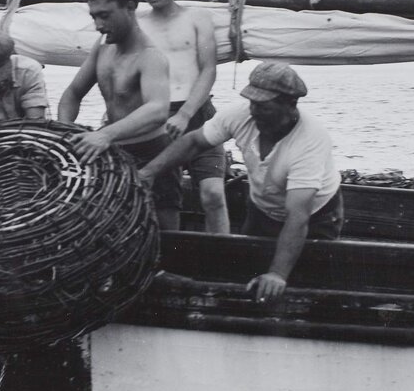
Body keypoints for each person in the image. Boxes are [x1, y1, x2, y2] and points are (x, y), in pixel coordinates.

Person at [139, 62, 343, 302]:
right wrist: (148, 173)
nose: (254, 112)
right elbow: (193, 142)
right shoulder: (242, 115)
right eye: (252, 103)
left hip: (316, 217)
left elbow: (298, 217)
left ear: (290, 104)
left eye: (264, 107)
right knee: (244, 273)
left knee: (308, 285)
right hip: (262, 208)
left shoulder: (310, 141)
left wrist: (277, 274)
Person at [57, 0, 181, 229]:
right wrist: (65, 134)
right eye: (94, 16)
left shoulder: (150, 56)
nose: (98, 25)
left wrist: (104, 134)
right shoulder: (102, 47)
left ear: (130, 7)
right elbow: (71, 95)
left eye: (105, 15)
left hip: (152, 153)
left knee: (166, 238)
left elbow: (158, 109)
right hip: (113, 153)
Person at [136, 0, 230, 233]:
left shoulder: (198, 18)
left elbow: (209, 69)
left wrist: (186, 113)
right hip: (157, 119)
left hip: (197, 113)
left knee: (213, 195)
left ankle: (225, 254)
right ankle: (173, 257)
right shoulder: (138, 24)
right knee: (165, 203)